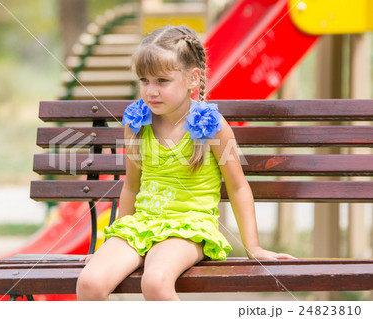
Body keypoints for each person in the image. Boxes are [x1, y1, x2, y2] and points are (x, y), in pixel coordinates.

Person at [76, 25, 294, 301]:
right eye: (144, 80)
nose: (151, 91)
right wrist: (115, 240)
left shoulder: (211, 126)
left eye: (162, 81)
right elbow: (131, 186)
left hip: (189, 228)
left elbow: (238, 187)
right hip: (143, 223)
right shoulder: (136, 123)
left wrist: (254, 247)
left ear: (193, 79)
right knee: (90, 283)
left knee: (155, 282)